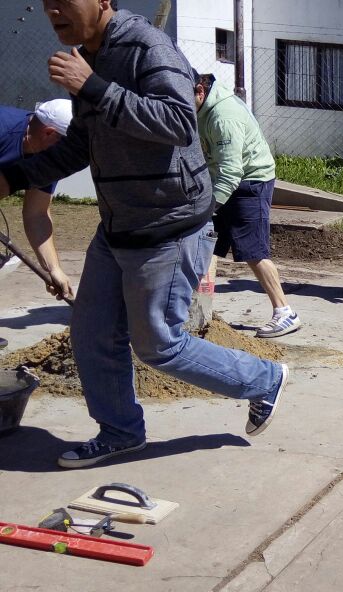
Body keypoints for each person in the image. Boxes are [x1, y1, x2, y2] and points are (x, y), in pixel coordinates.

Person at [0, 1, 289, 469]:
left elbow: (178, 123)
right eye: (47, 0)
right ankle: (119, 432)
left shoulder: (147, 47)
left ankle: (264, 379)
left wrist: (93, 85)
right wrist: (14, 179)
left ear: (103, 2)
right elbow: (83, 143)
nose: (53, 9)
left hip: (169, 227)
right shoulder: (87, 57)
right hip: (119, 226)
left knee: (158, 344)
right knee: (92, 334)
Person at [194, 73, 301, 338]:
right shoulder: (204, 106)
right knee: (204, 243)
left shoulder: (223, 117)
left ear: (199, 91)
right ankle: (195, 310)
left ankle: (285, 313)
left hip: (250, 182)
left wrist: (208, 208)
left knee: (253, 251)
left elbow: (231, 172)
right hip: (227, 179)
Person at [0, 99, 73, 301]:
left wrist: (54, 269)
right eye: (69, 145)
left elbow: (37, 213)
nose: (72, 154)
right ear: (49, 133)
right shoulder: (3, 127)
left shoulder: (48, 159)